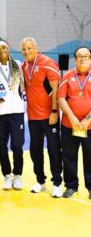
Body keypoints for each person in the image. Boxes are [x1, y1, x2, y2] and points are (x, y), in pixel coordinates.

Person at [21, 37, 63, 197]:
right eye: (24, 49)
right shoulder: (24, 66)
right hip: (33, 117)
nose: (26, 52)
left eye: (29, 48)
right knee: (35, 150)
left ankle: (57, 183)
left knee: (53, 149)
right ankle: (40, 181)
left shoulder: (47, 62)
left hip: (49, 115)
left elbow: (55, 88)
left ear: (36, 47)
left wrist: (54, 111)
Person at [0, 41, 25, 191]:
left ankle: (17, 175)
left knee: (17, 145)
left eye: (4, 47)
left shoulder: (18, 64)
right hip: (0, 111)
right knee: (2, 146)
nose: (2, 50)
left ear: (8, 49)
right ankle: (7, 176)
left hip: (16, 111)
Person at [58, 46, 91, 199]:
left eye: (86, 56)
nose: (83, 58)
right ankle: (71, 186)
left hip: (89, 126)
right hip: (68, 125)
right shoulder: (68, 75)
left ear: (90, 58)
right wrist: (71, 117)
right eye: (79, 56)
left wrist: (87, 119)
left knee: (90, 156)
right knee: (69, 156)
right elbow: (61, 98)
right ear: (75, 59)